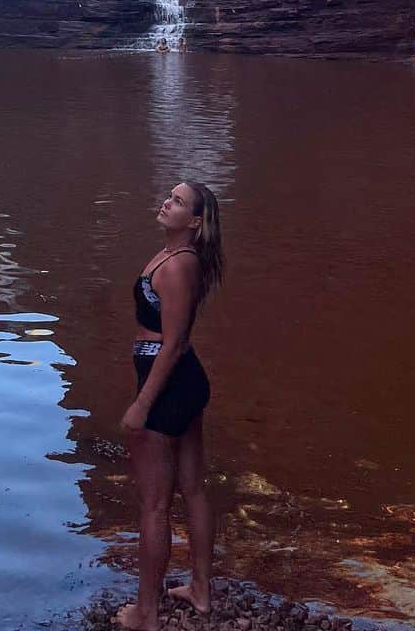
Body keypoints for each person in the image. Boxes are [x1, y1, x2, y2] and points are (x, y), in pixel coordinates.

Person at [117, 181, 224, 631]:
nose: (166, 201)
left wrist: (142, 403)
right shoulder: (173, 257)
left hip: (169, 385)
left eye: (178, 202)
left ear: (194, 222)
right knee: (192, 487)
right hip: (180, 383)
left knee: (155, 504)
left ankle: (147, 612)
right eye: (169, 195)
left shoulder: (179, 267)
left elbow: (176, 343)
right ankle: (200, 590)